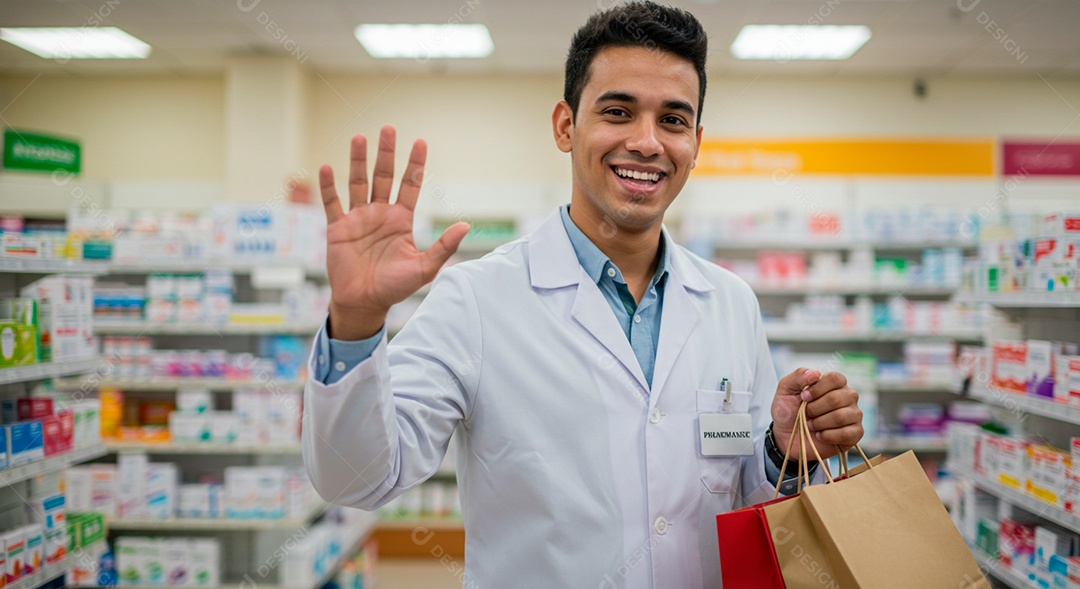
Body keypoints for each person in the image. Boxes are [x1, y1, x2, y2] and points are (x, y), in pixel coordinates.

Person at [302, 2, 863, 587]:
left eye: (673, 121)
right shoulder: (477, 298)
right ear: (566, 126)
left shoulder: (729, 302)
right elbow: (356, 480)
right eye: (618, 111)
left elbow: (743, 499)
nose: (647, 143)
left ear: (695, 143)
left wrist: (784, 450)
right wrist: (357, 319)